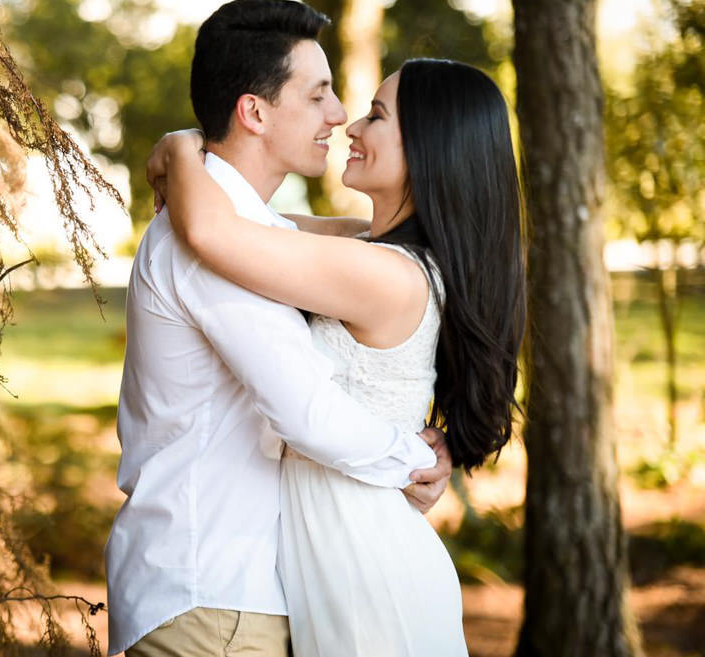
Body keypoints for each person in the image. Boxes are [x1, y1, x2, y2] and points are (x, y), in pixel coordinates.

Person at [104, 0, 455, 657]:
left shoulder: (250, 234)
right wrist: (416, 458)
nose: (337, 115)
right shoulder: (208, 242)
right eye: (318, 93)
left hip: (233, 595)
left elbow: (359, 239)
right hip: (212, 594)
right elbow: (307, 410)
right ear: (255, 111)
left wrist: (182, 147)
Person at [145, 51, 525, 655]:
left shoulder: (383, 276)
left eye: (376, 115)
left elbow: (218, 233)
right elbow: (261, 221)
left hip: (368, 577)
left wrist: (178, 148)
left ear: (428, 148)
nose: (351, 125)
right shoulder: (378, 254)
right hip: (336, 568)